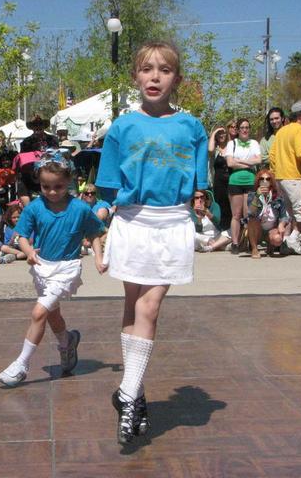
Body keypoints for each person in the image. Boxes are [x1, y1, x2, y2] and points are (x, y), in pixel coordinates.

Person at [95, 41, 208, 444]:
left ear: (176, 78)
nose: (154, 76)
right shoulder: (122, 127)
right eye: (146, 69)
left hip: (172, 222)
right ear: (135, 76)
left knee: (151, 304)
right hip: (131, 221)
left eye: (163, 69)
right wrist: (97, 230)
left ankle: (125, 393)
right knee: (133, 305)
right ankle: (135, 392)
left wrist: (202, 214)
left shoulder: (192, 127)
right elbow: (108, 190)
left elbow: (199, 187)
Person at [0, 152, 106, 386]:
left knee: (39, 312)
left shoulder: (79, 209)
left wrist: (99, 258)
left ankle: (21, 364)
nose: (52, 192)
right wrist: (29, 252)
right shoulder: (35, 208)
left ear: (69, 182)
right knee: (52, 314)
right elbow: (22, 236)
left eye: (57, 186)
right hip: (42, 267)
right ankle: (67, 342)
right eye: (46, 187)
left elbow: (94, 233)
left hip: (67, 268)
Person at [269, 110, 301, 255]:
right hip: (294, 175)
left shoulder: (281, 131)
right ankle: (293, 237)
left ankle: (287, 241)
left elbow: (272, 155)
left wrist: (276, 171)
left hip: (281, 177)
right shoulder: (300, 130)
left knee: (289, 212)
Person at [226, 118, 262, 254]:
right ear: (238, 129)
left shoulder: (254, 143)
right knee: (236, 214)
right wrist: (248, 163)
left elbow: (258, 160)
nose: (245, 130)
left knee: (249, 214)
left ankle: (249, 242)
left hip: (250, 181)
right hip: (235, 181)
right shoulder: (232, 143)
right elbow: (230, 163)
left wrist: (239, 160)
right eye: (242, 127)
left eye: (247, 127)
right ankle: (235, 243)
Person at [246, 170, 289, 259]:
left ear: (271, 182)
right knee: (252, 219)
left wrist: (281, 224)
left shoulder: (278, 197)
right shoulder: (252, 195)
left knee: (277, 239)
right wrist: (257, 196)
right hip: (258, 230)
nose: (265, 181)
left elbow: (284, 216)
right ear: (258, 181)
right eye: (262, 179)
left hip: (271, 229)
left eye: (268, 179)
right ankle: (254, 249)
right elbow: (251, 213)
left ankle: (271, 246)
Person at [207, 127, 231, 232]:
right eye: (219, 134)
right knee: (221, 207)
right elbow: (210, 150)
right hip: (218, 183)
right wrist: (214, 132)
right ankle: (222, 230)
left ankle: (232, 232)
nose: (221, 135)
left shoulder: (232, 147)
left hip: (231, 182)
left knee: (232, 208)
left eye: (223, 133)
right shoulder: (215, 149)